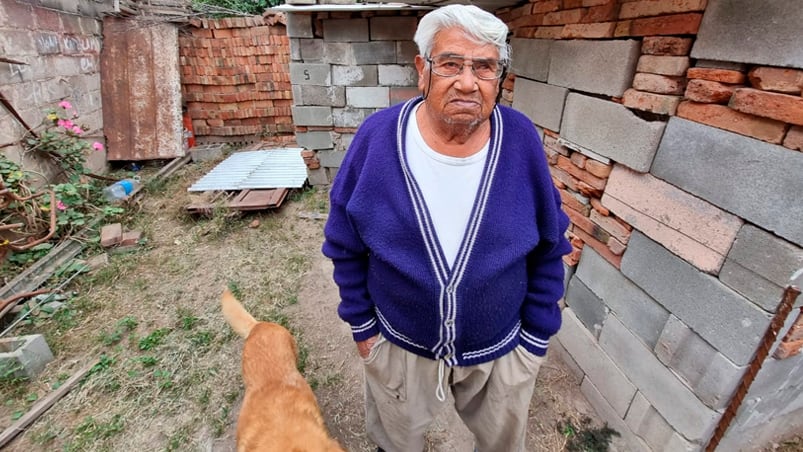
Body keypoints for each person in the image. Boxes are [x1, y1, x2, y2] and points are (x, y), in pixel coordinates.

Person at [322, 4, 572, 452]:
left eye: (485, 67)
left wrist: (535, 338)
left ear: (500, 76)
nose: (468, 81)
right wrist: (363, 328)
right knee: (395, 443)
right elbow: (344, 242)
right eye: (451, 64)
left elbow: (550, 244)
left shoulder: (520, 140)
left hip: (503, 349)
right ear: (423, 70)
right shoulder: (377, 139)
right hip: (398, 346)